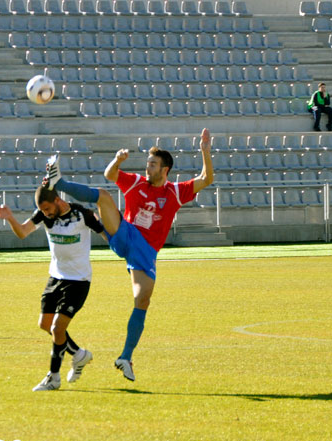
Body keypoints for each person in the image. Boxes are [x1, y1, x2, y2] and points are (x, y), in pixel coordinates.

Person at [42, 128, 214, 381]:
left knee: (142, 300)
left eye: (153, 164)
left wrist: (205, 152)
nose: (148, 168)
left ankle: (125, 357)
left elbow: (206, 178)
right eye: (148, 163)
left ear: (165, 169)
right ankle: (61, 184)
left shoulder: (176, 192)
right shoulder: (135, 182)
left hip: (146, 252)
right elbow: (109, 174)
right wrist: (118, 161)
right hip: (126, 234)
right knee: (103, 195)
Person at [0, 185, 104, 391]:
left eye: (47, 209)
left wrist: (126, 251)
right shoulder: (44, 215)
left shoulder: (82, 214)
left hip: (78, 281)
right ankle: (80, 355)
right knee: (45, 325)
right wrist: (10, 218)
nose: (45, 214)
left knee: (57, 328)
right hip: (55, 278)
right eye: (42, 211)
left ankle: (53, 377)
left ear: (57, 201)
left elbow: (106, 234)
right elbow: (23, 232)